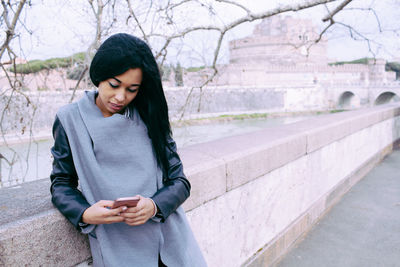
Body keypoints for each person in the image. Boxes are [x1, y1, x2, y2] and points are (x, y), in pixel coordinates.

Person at [50, 33, 207, 267]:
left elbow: (179, 181)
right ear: (99, 76)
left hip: (171, 244)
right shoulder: (69, 120)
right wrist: (84, 213)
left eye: (132, 89)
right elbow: (61, 182)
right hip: (118, 248)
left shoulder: (148, 114)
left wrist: (153, 206)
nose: (121, 97)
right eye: (114, 85)